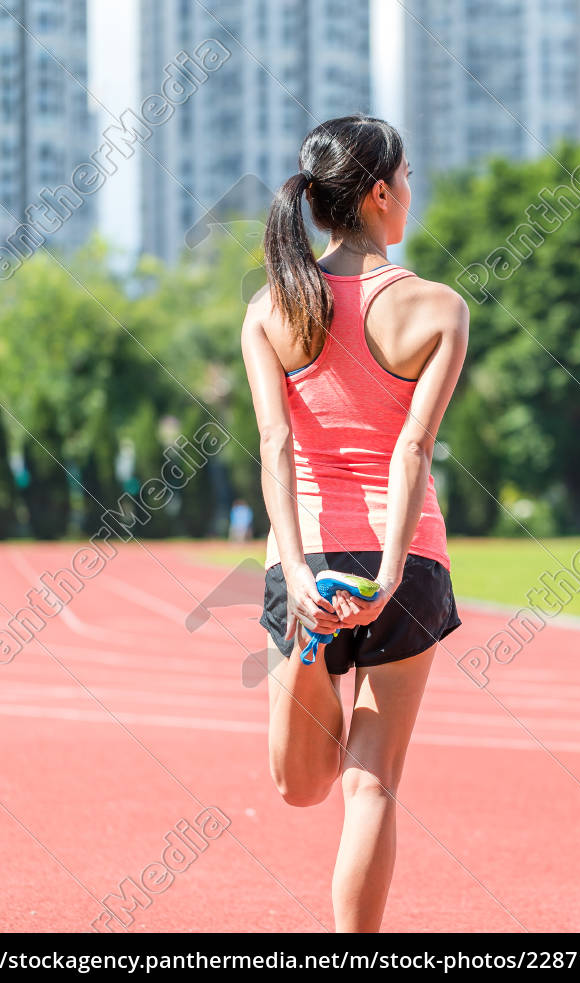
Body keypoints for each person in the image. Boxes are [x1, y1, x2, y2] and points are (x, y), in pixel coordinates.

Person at [239, 115, 468, 932]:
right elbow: (412, 447)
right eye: (407, 177)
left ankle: (310, 642)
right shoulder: (438, 308)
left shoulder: (272, 308)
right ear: (377, 193)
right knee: (372, 782)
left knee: (298, 784)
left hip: (304, 550)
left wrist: (298, 574)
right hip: (400, 559)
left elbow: (274, 445)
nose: (412, 192)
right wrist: (395, 571)